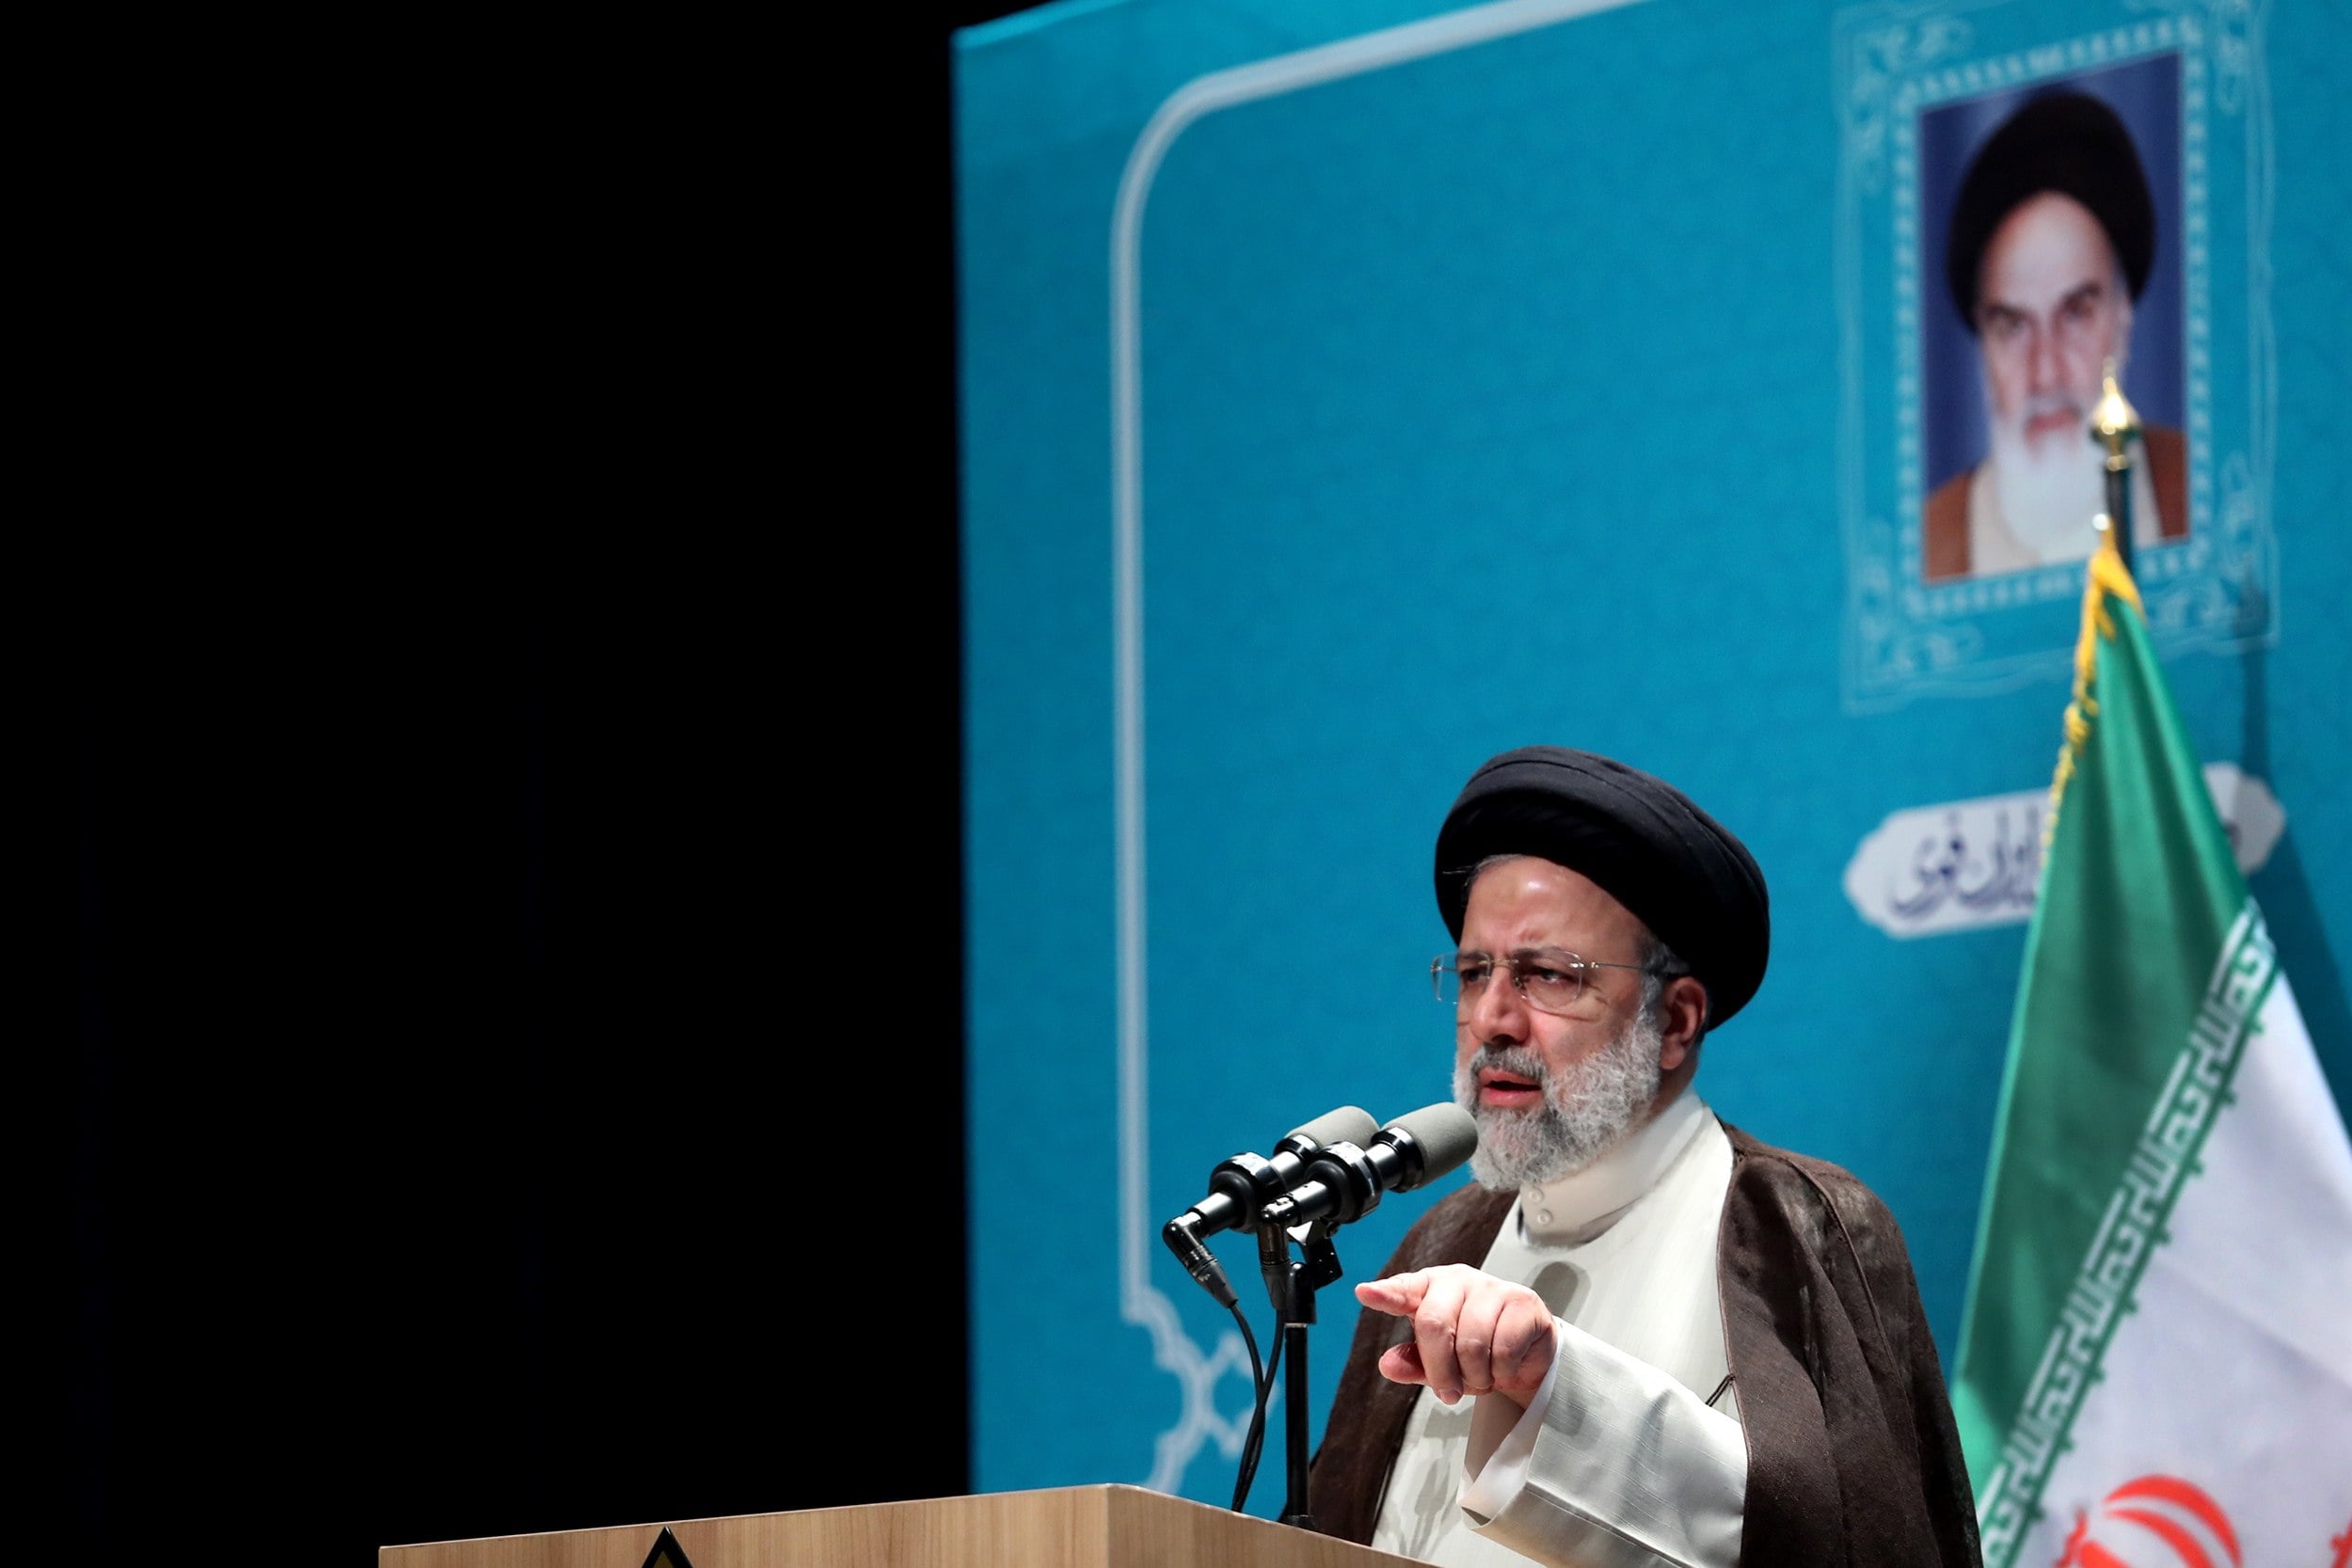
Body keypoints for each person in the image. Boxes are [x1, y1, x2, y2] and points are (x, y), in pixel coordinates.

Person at [1308, 745, 1979, 1567]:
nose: (1492, 1017)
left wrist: (1554, 1388)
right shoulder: (1443, 1240)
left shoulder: (1795, 1224)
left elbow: (1843, 1541)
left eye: (1548, 975)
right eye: (1476, 970)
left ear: (1677, 1021)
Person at [1923, 88, 2187, 582]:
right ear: (1982, 344)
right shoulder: (1925, 549)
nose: (2045, 372)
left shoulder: (2200, 493)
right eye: (2013, 326)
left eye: (2074, 314)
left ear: (2123, 319)